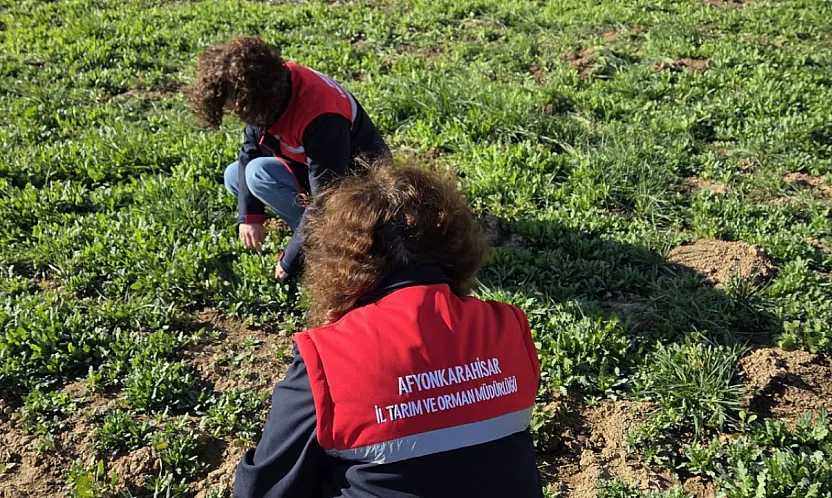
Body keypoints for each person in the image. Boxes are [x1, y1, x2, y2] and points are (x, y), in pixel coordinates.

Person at [234, 164, 544, 498]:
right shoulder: (508, 328)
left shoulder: (328, 358)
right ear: (457, 246)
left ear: (338, 266)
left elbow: (266, 487)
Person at [189, 36, 390, 281]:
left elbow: (326, 197)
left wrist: (291, 259)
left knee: (257, 175)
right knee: (234, 176)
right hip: (313, 169)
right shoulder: (270, 88)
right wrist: (249, 218)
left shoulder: (322, 116)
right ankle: (306, 228)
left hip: (356, 187)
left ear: (251, 97)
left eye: (235, 107)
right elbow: (249, 150)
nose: (233, 113)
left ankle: (325, 241)